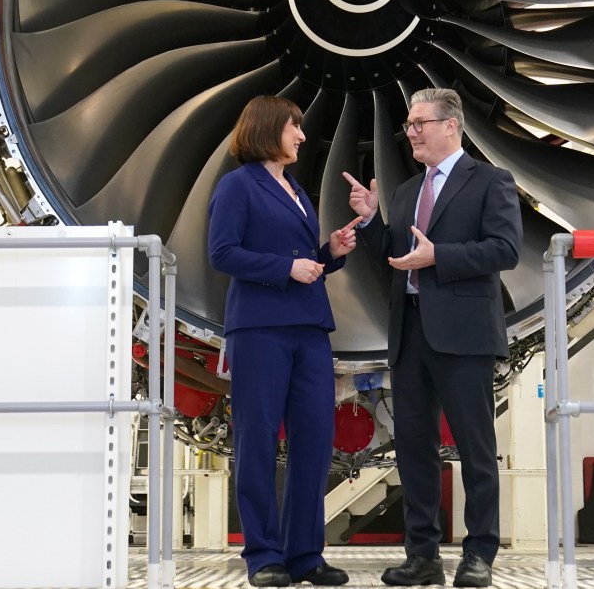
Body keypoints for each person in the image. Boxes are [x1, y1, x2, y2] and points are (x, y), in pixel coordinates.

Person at [343, 87, 522, 589]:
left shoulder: (490, 181)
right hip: (411, 333)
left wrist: (439, 257)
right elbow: (396, 256)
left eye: (419, 122)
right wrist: (371, 219)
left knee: (476, 448)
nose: (410, 131)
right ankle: (422, 556)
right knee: (414, 450)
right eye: (408, 123)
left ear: (451, 125)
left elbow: (505, 250)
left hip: (464, 335)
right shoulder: (405, 192)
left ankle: (479, 554)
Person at [209, 94, 360, 588]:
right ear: (268, 129)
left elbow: (302, 261)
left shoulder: (295, 188)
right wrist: (285, 268)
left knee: (315, 443)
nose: (300, 135)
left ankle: (305, 555)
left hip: (309, 329)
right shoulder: (237, 186)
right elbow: (222, 252)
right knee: (256, 441)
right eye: (293, 127)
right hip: (259, 330)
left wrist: (329, 253)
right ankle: (263, 556)